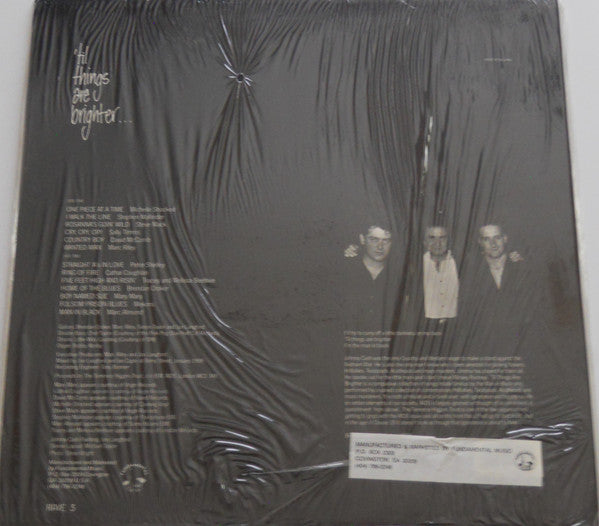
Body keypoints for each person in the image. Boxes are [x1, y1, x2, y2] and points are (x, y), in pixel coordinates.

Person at [344, 223, 396, 331]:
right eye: (374, 239)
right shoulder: (346, 272)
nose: (380, 246)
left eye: (386, 240)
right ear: (362, 239)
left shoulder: (398, 276)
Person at [422, 226, 459, 321]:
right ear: (424, 242)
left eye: (442, 238)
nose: (437, 243)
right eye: (432, 238)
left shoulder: (460, 263)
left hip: (456, 324)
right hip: (425, 324)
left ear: (449, 241)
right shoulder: (417, 266)